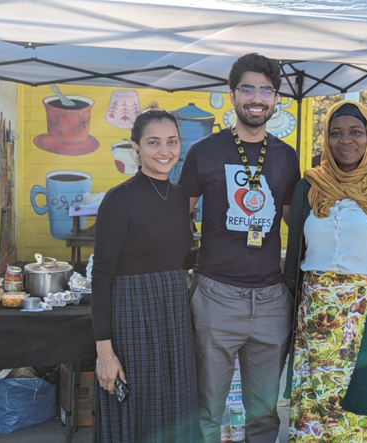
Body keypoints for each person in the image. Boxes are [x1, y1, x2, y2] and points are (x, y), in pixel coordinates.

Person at [179, 53, 301, 442]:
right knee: (207, 409)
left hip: (270, 301)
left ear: (276, 98)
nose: (257, 97)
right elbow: (180, 216)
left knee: (265, 415)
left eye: (266, 90)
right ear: (231, 94)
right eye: (248, 88)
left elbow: (294, 225)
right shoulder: (204, 152)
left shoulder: (285, 156)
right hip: (216, 295)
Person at [283, 101, 367, 442]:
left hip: (363, 318)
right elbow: (293, 256)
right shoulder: (309, 187)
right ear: (325, 139)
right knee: (312, 415)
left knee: (356, 418)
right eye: (336, 133)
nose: (346, 140)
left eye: (355, 132)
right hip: (313, 318)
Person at [91, 106, 199, 442]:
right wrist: (105, 354)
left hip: (176, 316)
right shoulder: (119, 199)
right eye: (154, 142)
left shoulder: (182, 197)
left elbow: (179, 259)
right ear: (135, 146)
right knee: (137, 410)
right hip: (133, 316)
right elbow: (102, 277)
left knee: (176, 411)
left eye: (172, 142)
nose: (164, 151)